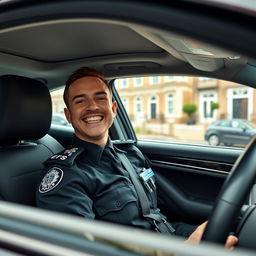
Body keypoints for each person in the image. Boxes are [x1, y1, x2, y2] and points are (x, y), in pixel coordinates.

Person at [36, 67, 238, 248]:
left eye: (100, 98)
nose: (92, 107)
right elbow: (80, 249)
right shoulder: (66, 175)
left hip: (166, 234)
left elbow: (154, 214)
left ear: (113, 109)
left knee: (236, 236)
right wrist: (185, 250)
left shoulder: (130, 153)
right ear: (69, 115)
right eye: (80, 101)